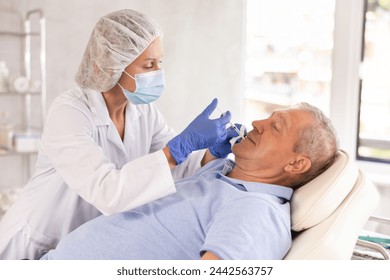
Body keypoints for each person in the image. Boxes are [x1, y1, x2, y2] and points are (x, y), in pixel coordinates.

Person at [0, 9, 236, 260]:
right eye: (149, 65)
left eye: (160, 63)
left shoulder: (144, 111)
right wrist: (178, 148)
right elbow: (107, 191)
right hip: (33, 245)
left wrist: (208, 155)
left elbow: (173, 167)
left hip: (77, 246)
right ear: (112, 65)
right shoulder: (70, 112)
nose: (158, 72)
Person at [41, 102, 339, 260]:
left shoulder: (256, 211)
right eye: (268, 117)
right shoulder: (229, 176)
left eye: (276, 126)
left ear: (296, 163)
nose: (258, 123)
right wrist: (209, 156)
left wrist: (178, 150)